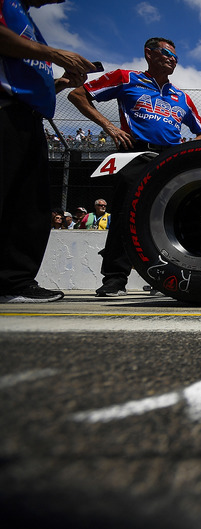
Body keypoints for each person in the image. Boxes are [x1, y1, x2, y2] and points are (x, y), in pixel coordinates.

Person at [68, 37, 201, 297]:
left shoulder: (182, 97)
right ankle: (114, 279)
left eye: (176, 57)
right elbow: (77, 95)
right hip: (136, 153)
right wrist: (109, 126)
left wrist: (185, 149)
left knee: (172, 216)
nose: (172, 59)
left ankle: (166, 278)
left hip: (171, 160)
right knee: (124, 214)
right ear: (149, 53)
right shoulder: (126, 77)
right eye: (166, 53)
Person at [0, 0, 95, 303]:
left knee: (30, 206)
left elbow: (27, 79)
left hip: (30, 116)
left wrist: (62, 83)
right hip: (6, 111)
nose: (58, 1)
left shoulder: (27, 19)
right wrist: (54, 53)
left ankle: (13, 282)